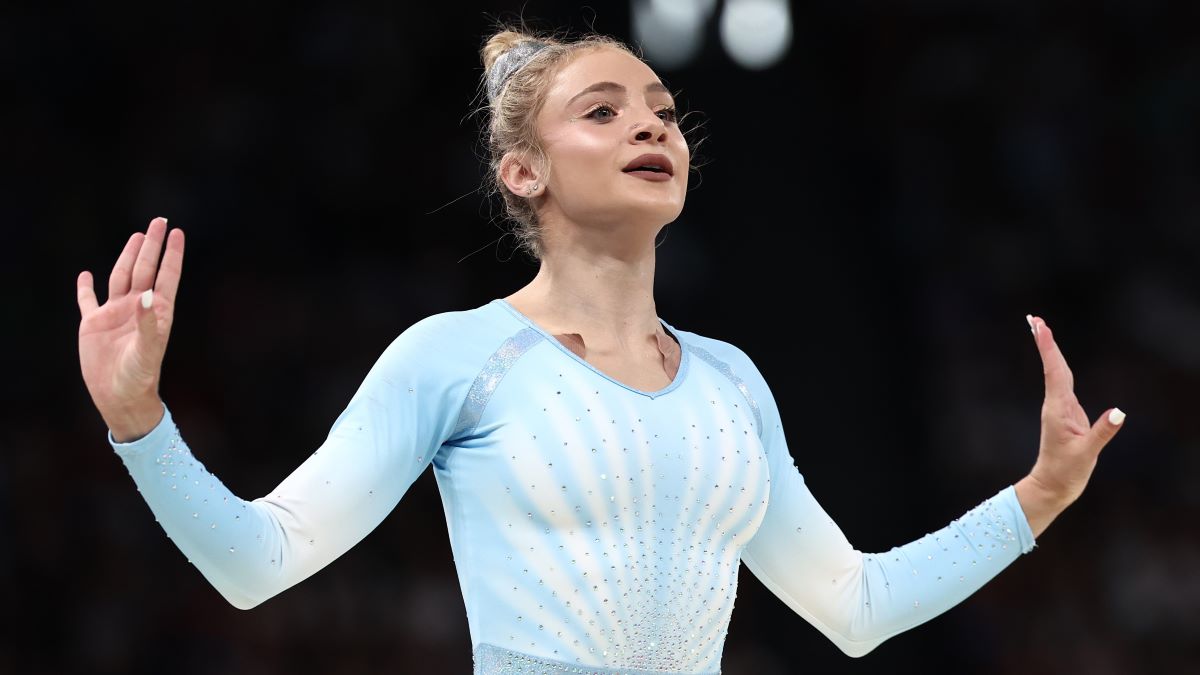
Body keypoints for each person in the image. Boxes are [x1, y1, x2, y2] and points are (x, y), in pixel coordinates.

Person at [75, 27, 1125, 675]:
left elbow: (851, 608)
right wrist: (140, 424)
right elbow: (255, 566)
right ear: (523, 172)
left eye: (664, 113)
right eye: (605, 111)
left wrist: (1034, 500)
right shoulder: (455, 358)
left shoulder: (731, 383)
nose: (652, 128)